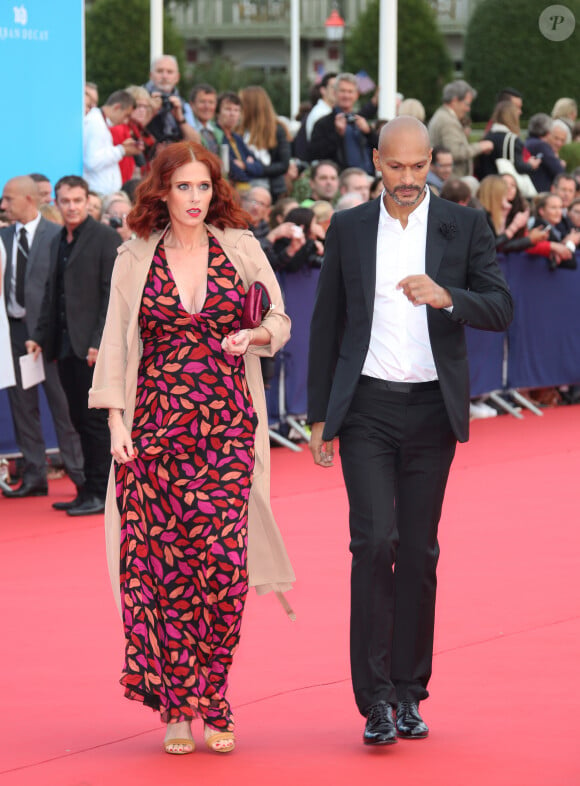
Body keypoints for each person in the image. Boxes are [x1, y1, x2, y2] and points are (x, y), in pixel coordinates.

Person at [307, 117, 513, 747]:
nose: (405, 179)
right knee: (372, 544)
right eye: (394, 167)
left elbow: (501, 307)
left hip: (431, 413)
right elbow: (327, 324)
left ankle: (407, 693)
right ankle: (372, 700)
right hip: (366, 408)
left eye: (417, 167)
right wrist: (320, 416)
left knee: (418, 553)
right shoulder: (348, 228)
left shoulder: (464, 223)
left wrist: (447, 295)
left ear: (432, 163)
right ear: (375, 161)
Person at [87, 140, 294, 754]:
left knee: (224, 572)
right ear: (162, 192)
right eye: (184, 188)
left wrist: (257, 333)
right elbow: (117, 344)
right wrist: (118, 422)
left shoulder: (242, 246)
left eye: (204, 187)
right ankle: (178, 705)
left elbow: (280, 318)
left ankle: (215, 690)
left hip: (228, 429)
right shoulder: (135, 257)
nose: (196, 199)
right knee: (158, 575)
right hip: (155, 437)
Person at [26, 176, 121, 515]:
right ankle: (86, 490)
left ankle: (101, 493)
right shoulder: (57, 241)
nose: (71, 207)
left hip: (91, 349)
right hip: (64, 347)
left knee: (94, 423)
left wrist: (99, 343)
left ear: (87, 200)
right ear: (57, 201)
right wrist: (38, 336)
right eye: (65, 201)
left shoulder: (105, 238)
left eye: (77, 200)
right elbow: (53, 294)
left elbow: (112, 296)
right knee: (78, 421)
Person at [0, 176, 84, 499]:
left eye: (8, 199)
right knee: (22, 406)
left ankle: (80, 476)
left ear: (28, 200)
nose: (4, 205)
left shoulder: (57, 235)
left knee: (62, 406)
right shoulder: (4, 237)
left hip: (49, 335)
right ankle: (35, 475)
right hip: (14, 332)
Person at [308, 73, 377, 175]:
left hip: (367, 180)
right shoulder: (323, 123)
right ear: (335, 93)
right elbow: (315, 154)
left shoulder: (362, 121)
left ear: (356, 95)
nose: (346, 95)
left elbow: (381, 149)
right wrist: (337, 134)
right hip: (340, 181)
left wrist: (369, 132)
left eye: (350, 91)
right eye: (342, 91)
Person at [428, 80, 493, 176]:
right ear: (454, 101)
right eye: (466, 104)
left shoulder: (442, 115)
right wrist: (480, 146)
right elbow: (455, 152)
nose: (468, 109)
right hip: (453, 182)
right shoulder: (448, 121)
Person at [83, 90, 142, 196]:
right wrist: (122, 150)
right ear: (117, 107)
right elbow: (92, 161)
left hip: (102, 192)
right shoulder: (95, 124)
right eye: (126, 115)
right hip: (97, 193)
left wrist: (122, 148)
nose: (126, 121)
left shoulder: (100, 122)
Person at [239, 86, 291, 202]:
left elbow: (284, 164)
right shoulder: (239, 130)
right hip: (243, 189)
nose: (239, 108)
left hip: (271, 191)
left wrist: (255, 169)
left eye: (242, 104)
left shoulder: (277, 130)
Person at [143, 55, 199, 146]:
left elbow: (196, 142)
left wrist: (180, 119)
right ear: (151, 75)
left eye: (169, 72)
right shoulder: (138, 99)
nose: (164, 76)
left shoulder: (183, 105)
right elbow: (129, 134)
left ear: (177, 77)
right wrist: (150, 111)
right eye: (160, 71)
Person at [525, 113, 566, 192]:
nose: (559, 143)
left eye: (562, 140)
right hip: (541, 192)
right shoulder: (541, 145)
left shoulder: (529, 142)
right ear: (548, 133)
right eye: (556, 138)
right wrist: (559, 163)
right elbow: (559, 171)